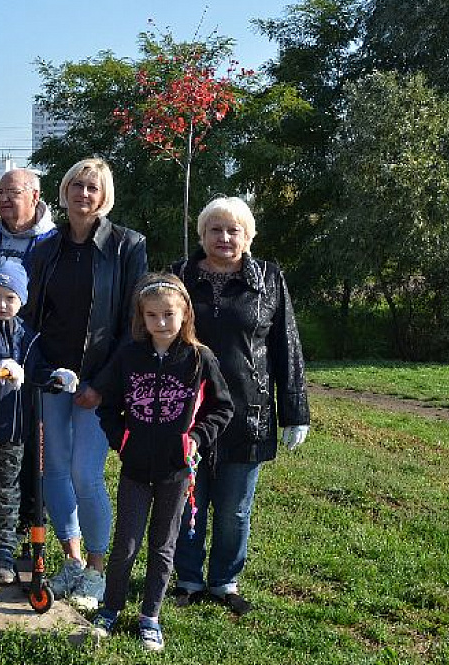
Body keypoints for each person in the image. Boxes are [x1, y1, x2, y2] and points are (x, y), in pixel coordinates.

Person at [170, 196, 311, 615]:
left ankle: (225, 581)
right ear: (202, 235)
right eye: (216, 229)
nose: (225, 237)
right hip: (189, 411)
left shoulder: (269, 279)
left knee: (234, 509)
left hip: (249, 413)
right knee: (188, 500)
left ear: (248, 237)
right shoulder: (180, 276)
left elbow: (287, 345)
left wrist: (295, 411)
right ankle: (189, 578)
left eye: (234, 231)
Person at [23, 156, 147, 610]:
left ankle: (96, 568)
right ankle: (71, 559)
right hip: (53, 379)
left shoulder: (126, 245)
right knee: (53, 469)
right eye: (77, 185)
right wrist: (39, 372)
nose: (83, 194)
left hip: (100, 381)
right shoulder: (45, 248)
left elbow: (132, 325)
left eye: (93, 187)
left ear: (104, 195)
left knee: (84, 473)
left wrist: (101, 383)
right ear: (65, 191)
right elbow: (31, 318)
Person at [87, 274, 233, 652]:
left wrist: (195, 439)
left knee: (162, 547)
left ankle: (150, 616)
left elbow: (222, 407)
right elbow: (107, 404)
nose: (161, 323)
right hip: (135, 469)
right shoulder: (129, 355)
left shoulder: (200, 359)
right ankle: (111, 607)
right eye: (152, 316)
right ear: (142, 317)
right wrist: (122, 439)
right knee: (126, 545)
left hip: (176, 472)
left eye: (169, 314)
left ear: (185, 313)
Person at [0, 261, 75, 586]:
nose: (1, 304)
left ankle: (3, 551)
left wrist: (55, 376)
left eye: (9, 297)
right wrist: (4, 362)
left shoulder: (28, 335)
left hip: (15, 430)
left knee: (7, 490)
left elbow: (35, 368)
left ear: (22, 301)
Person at [0, 168, 56, 320]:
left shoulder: (53, 241)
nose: (3, 198)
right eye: (0, 192)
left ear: (34, 196)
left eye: (13, 191)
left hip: (25, 338)